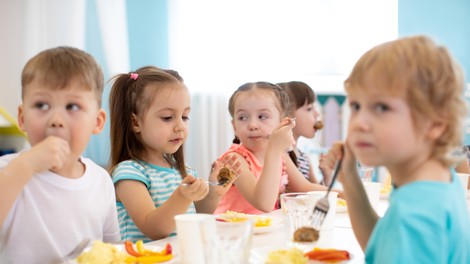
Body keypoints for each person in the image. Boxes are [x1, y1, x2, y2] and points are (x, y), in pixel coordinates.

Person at [322, 36, 470, 263]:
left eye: (381, 107)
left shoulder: (416, 216)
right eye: (356, 106)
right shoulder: (433, 183)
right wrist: (350, 180)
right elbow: (382, 245)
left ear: (435, 123)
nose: (359, 121)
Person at [0, 46, 120, 263]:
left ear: (97, 121)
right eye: (41, 105)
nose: (56, 119)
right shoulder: (9, 171)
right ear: (22, 118)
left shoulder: (101, 181)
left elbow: (112, 249)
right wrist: (26, 165)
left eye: (72, 106)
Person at [108, 66, 239, 242]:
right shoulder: (129, 174)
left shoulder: (184, 171)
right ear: (135, 122)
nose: (180, 126)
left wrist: (213, 193)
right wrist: (182, 197)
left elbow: (195, 216)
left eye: (184, 117)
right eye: (168, 118)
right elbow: (153, 228)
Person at [214, 82, 337, 215]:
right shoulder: (233, 160)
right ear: (234, 127)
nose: (252, 125)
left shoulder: (280, 155)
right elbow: (264, 203)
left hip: (266, 229)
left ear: (282, 122)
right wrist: (274, 149)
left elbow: (304, 187)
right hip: (234, 232)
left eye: (262, 117)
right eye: (242, 117)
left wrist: (346, 196)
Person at [277, 81, 329, 185]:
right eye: (309, 109)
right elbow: (304, 188)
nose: (317, 113)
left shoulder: (303, 157)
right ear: (286, 115)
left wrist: (327, 175)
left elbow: (314, 194)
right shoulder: (279, 154)